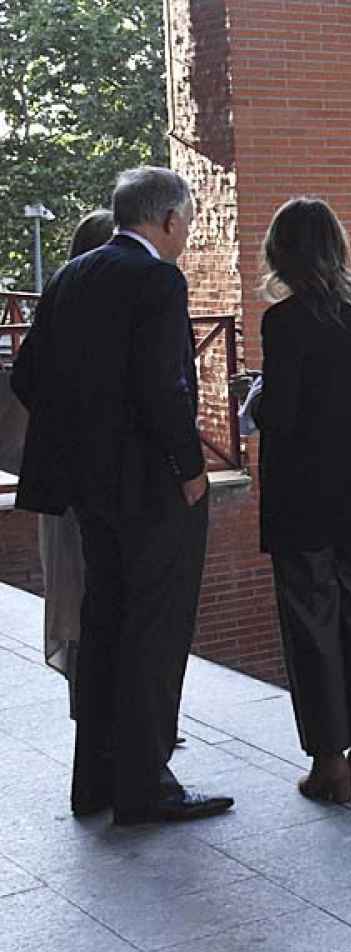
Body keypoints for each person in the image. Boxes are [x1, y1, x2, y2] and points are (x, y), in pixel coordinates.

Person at [13, 167, 235, 824]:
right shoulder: (157, 279)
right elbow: (164, 387)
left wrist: (84, 439)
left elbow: (28, 376)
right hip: (150, 491)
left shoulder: (69, 277)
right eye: (188, 223)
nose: (187, 236)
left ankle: (96, 783)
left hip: (91, 492)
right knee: (155, 634)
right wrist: (190, 470)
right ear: (166, 219)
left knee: (106, 626)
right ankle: (145, 786)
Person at [33, 208, 114, 723]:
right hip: (94, 485)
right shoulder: (107, 314)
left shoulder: (58, 302)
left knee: (76, 597)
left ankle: (92, 719)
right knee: (99, 599)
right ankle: (115, 727)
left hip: (58, 478)